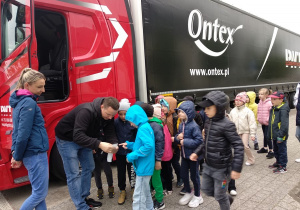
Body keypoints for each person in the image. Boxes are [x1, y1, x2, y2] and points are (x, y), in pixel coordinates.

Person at [55, 97, 119, 210]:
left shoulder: (108, 115)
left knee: (89, 167)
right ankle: (80, 206)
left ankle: (83, 198)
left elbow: (110, 131)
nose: (110, 118)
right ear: (101, 107)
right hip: (67, 139)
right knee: (73, 174)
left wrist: (114, 144)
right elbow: (78, 136)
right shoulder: (86, 111)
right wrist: (98, 144)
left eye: (112, 116)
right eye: (108, 114)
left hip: (85, 137)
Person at [190, 91, 244, 210]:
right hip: (209, 165)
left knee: (219, 195)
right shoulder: (209, 122)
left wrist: (236, 168)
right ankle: (227, 199)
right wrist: (197, 152)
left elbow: (239, 146)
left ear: (219, 108)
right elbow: (206, 142)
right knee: (208, 190)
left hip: (223, 169)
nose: (205, 111)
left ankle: (225, 202)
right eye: (205, 108)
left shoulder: (227, 125)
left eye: (208, 108)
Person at [9, 68, 49, 210]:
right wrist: (17, 156)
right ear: (27, 85)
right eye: (39, 86)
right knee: (39, 193)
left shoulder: (20, 103)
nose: (43, 90)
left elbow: (17, 131)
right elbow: (23, 134)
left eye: (43, 86)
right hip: (36, 154)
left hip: (32, 154)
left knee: (38, 193)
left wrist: (15, 152)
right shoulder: (29, 103)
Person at [119, 105, 155, 210]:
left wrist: (131, 156)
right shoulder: (145, 126)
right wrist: (129, 145)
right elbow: (143, 144)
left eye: (131, 121)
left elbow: (148, 146)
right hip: (145, 166)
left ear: (136, 118)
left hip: (143, 167)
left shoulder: (142, 128)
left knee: (138, 196)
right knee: (146, 192)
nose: (130, 124)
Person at [174, 101, 203, 208]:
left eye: (181, 112)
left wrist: (184, 141)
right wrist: (178, 138)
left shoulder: (194, 126)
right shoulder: (181, 124)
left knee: (194, 177)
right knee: (183, 174)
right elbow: (178, 137)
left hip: (194, 157)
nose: (179, 114)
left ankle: (198, 195)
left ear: (189, 113)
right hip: (185, 156)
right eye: (179, 112)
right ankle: (188, 191)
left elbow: (199, 141)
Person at [141, 103, 166, 210]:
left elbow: (160, 144)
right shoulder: (148, 124)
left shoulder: (155, 126)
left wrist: (158, 160)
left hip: (155, 159)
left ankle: (160, 200)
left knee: (156, 180)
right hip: (149, 158)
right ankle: (154, 196)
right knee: (151, 179)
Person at [114, 98, 137, 205]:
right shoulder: (115, 123)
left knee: (132, 172)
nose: (123, 116)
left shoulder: (132, 122)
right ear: (118, 113)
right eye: (120, 114)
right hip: (120, 153)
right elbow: (112, 135)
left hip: (131, 152)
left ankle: (133, 189)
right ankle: (122, 191)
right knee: (121, 172)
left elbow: (137, 136)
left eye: (125, 114)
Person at [160, 97, 182, 188]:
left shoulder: (175, 117)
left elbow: (177, 132)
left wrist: (174, 145)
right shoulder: (162, 117)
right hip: (167, 145)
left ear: (171, 106)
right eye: (162, 105)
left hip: (175, 144)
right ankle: (170, 176)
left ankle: (180, 178)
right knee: (167, 163)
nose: (163, 108)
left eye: (165, 106)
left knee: (175, 162)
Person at [229, 92, 257, 166]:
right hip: (236, 131)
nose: (237, 102)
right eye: (236, 100)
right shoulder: (233, 111)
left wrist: (253, 134)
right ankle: (238, 159)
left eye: (240, 101)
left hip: (245, 131)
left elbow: (252, 123)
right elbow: (231, 122)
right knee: (237, 146)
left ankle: (251, 159)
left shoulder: (248, 111)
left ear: (244, 102)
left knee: (245, 145)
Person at [267, 91, 290, 173]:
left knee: (282, 151)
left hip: (280, 136)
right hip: (275, 134)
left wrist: (281, 135)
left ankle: (283, 166)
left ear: (281, 100)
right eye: (271, 99)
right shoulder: (274, 108)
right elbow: (271, 122)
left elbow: (284, 124)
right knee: (276, 150)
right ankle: (278, 162)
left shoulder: (283, 109)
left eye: (274, 99)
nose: (272, 101)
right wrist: (270, 134)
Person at [257, 88, 274, 158]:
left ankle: (271, 150)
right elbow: (258, 111)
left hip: (268, 123)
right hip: (263, 122)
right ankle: (265, 148)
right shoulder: (260, 102)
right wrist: (258, 118)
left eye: (262, 94)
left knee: (268, 136)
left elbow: (271, 114)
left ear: (267, 95)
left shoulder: (269, 103)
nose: (260, 95)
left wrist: (268, 120)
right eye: (259, 94)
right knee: (265, 135)